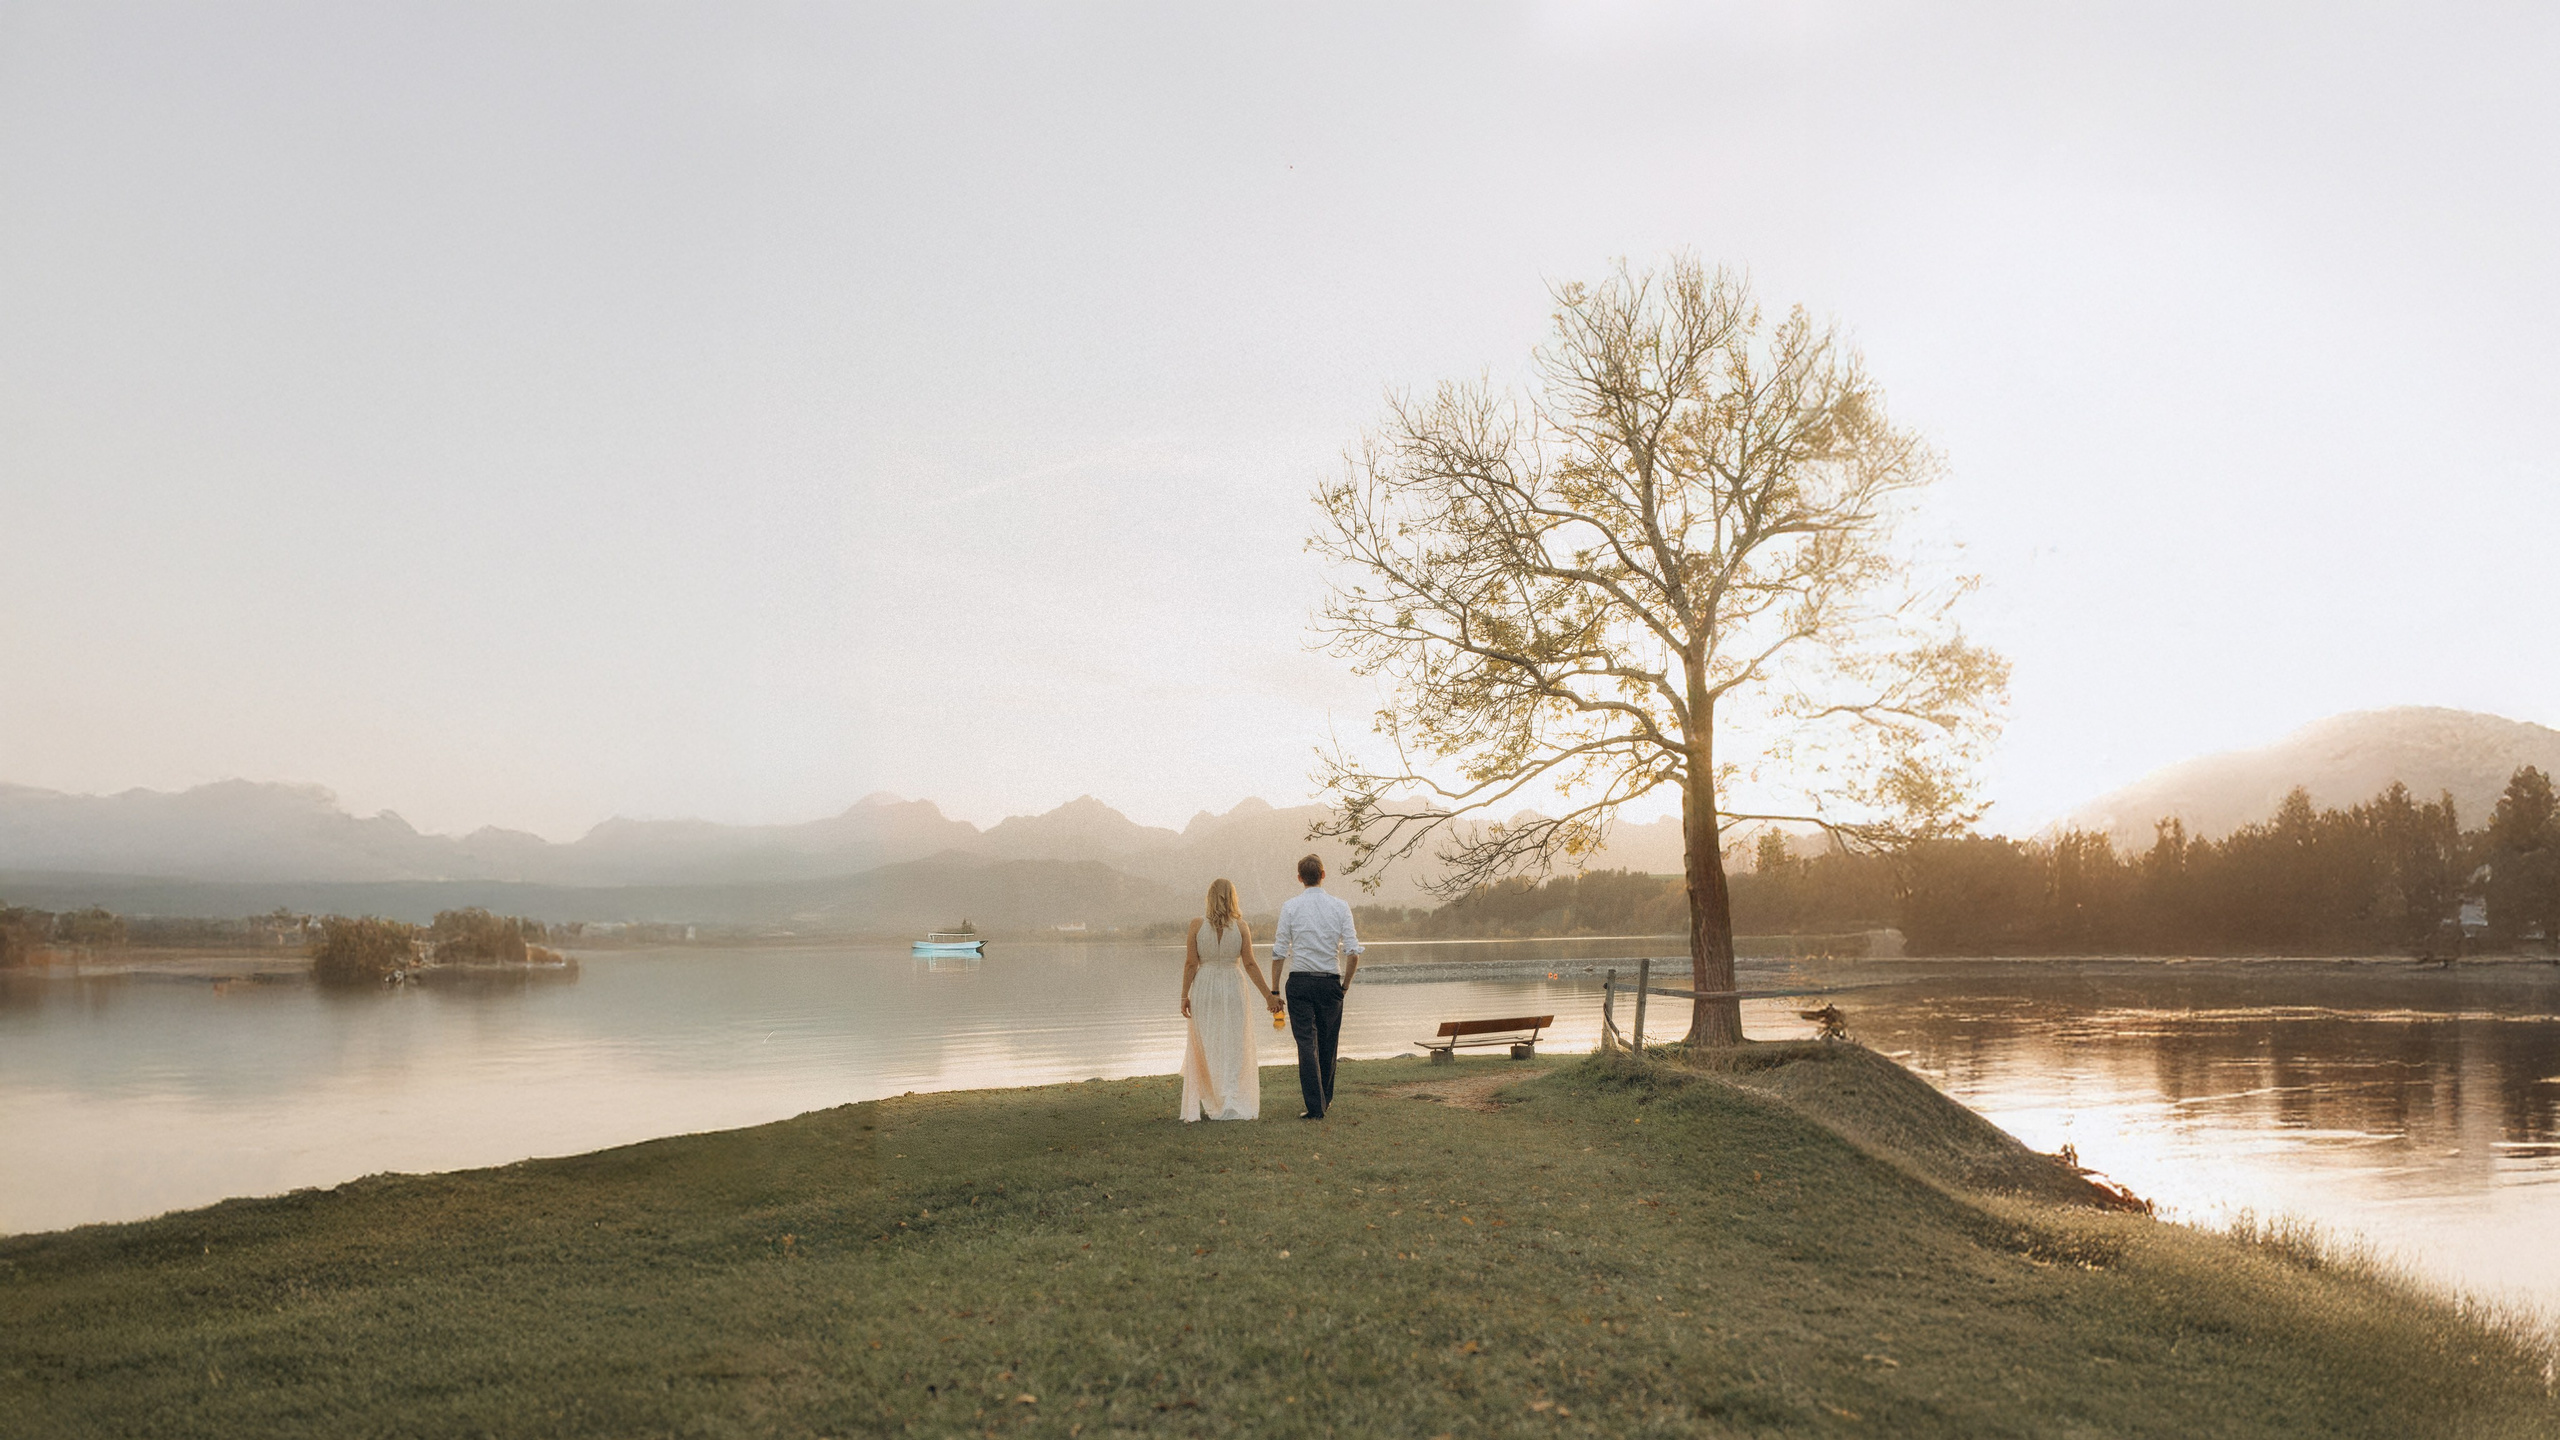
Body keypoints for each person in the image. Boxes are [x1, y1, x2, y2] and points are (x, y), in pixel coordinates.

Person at [1269, 852, 1363, 1120]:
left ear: (1299, 878)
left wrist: (1275, 991)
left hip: (1299, 982)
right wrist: (1344, 986)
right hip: (1329, 982)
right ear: (1323, 874)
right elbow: (1353, 953)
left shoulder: (1290, 907)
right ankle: (1326, 1099)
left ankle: (1315, 1106)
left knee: (1306, 1043)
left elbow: (1278, 953)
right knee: (1328, 1042)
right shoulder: (1340, 906)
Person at [1178, 878, 1278, 1122]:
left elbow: (1191, 963)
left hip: (1205, 988)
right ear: (1232, 897)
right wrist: (1268, 995)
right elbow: (1250, 964)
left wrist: (1184, 995)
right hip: (1233, 986)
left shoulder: (1196, 925)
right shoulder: (1241, 926)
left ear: (1209, 897)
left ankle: (1215, 1100)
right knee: (1234, 1044)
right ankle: (1230, 1099)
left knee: (1207, 1043)